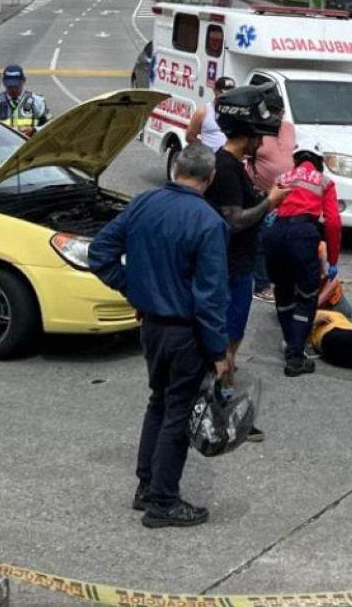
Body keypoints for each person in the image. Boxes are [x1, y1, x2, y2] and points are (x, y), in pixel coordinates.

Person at [89, 142, 230, 527]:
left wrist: (134, 290)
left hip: (151, 326)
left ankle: (147, 487)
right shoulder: (208, 222)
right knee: (178, 413)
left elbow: (99, 251)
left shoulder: (142, 204)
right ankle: (163, 501)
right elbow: (210, 296)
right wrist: (219, 352)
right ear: (210, 178)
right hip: (185, 333)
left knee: (158, 403)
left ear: (176, 169)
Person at [206, 83, 293, 390]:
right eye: (259, 136)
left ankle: (222, 393)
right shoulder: (227, 167)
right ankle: (223, 407)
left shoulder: (230, 164)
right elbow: (234, 220)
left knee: (231, 340)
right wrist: (271, 202)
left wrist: (261, 198)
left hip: (236, 264)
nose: (261, 143)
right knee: (228, 343)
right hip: (232, 267)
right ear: (248, 133)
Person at [263, 135, 342, 376]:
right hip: (302, 234)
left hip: (275, 234)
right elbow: (333, 223)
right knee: (307, 296)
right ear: (318, 160)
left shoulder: (282, 178)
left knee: (283, 290)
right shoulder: (324, 182)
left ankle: (291, 341)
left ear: (296, 159)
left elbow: (268, 208)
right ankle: (296, 357)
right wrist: (334, 260)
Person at [249, 92, 296, 303]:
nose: (276, 116)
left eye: (279, 111)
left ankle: (283, 281)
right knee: (260, 241)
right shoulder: (255, 130)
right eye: (272, 112)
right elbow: (244, 158)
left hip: (286, 195)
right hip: (261, 194)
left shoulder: (289, 128)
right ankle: (261, 285)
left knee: (283, 240)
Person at [0, 65, 51, 137]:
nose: (13, 90)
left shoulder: (38, 101)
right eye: (10, 86)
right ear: (3, 82)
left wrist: (34, 130)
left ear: (24, 81)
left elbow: (51, 125)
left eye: (16, 86)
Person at [187, 76, 237, 151]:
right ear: (215, 91)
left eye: (231, 93)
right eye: (224, 93)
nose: (227, 96)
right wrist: (205, 150)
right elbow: (190, 137)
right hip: (209, 159)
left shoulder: (236, 112)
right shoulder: (203, 111)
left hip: (228, 159)